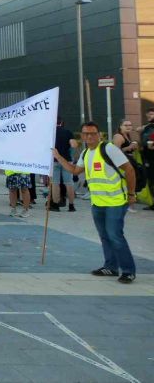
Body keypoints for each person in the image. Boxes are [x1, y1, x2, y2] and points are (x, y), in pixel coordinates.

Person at [51, 121, 137, 284]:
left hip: (116, 201)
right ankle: (111, 267)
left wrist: (131, 194)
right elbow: (75, 171)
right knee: (104, 236)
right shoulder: (85, 153)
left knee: (115, 235)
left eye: (92, 133)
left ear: (99, 135)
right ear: (82, 136)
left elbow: (129, 170)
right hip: (97, 203)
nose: (89, 136)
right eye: (85, 134)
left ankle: (128, 270)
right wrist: (58, 157)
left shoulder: (109, 149)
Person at [50, 118, 78, 212]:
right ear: (61, 122)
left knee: (55, 183)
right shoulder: (68, 132)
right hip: (67, 160)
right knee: (69, 183)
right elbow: (74, 145)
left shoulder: (51, 132)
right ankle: (71, 205)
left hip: (54, 160)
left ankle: (55, 205)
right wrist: (70, 153)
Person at [140, 108, 154, 207]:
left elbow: (146, 141)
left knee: (152, 180)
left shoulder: (150, 127)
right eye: (148, 114)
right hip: (148, 157)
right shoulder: (148, 127)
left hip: (151, 158)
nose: (149, 116)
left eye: (152, 114)